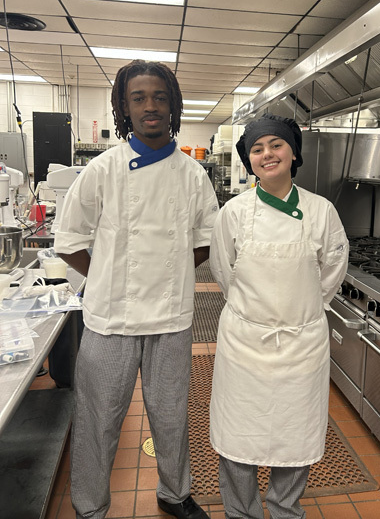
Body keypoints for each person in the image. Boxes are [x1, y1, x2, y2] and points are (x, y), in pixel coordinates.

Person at [54, 60, 219, 519]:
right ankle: (90, 508)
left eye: (160, 97)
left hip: (171, 319)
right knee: (98, 420)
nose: (151, 106)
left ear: (173, 105)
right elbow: (68, 242)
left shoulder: (192, 175)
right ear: (124, 108)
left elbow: (207, 240)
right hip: (110, 320)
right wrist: (107, 277)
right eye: (139, 98)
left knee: (171, 416)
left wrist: (172, 273)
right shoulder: (102, 170)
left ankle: (175, 493)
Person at [209, 113, 349, 519]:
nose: (266, 154)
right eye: (256, 149)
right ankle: (242, 512)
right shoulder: (233, 213)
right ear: (248, 160)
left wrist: (301, 312)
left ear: (293, 153)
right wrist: (255, 316)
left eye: (275, 145)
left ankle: (286, 509)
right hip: (245, 343)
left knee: (295, 435)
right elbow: (223, 272)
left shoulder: (321, 211)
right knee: (238, 434)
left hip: (302, 342)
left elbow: (332, 271)